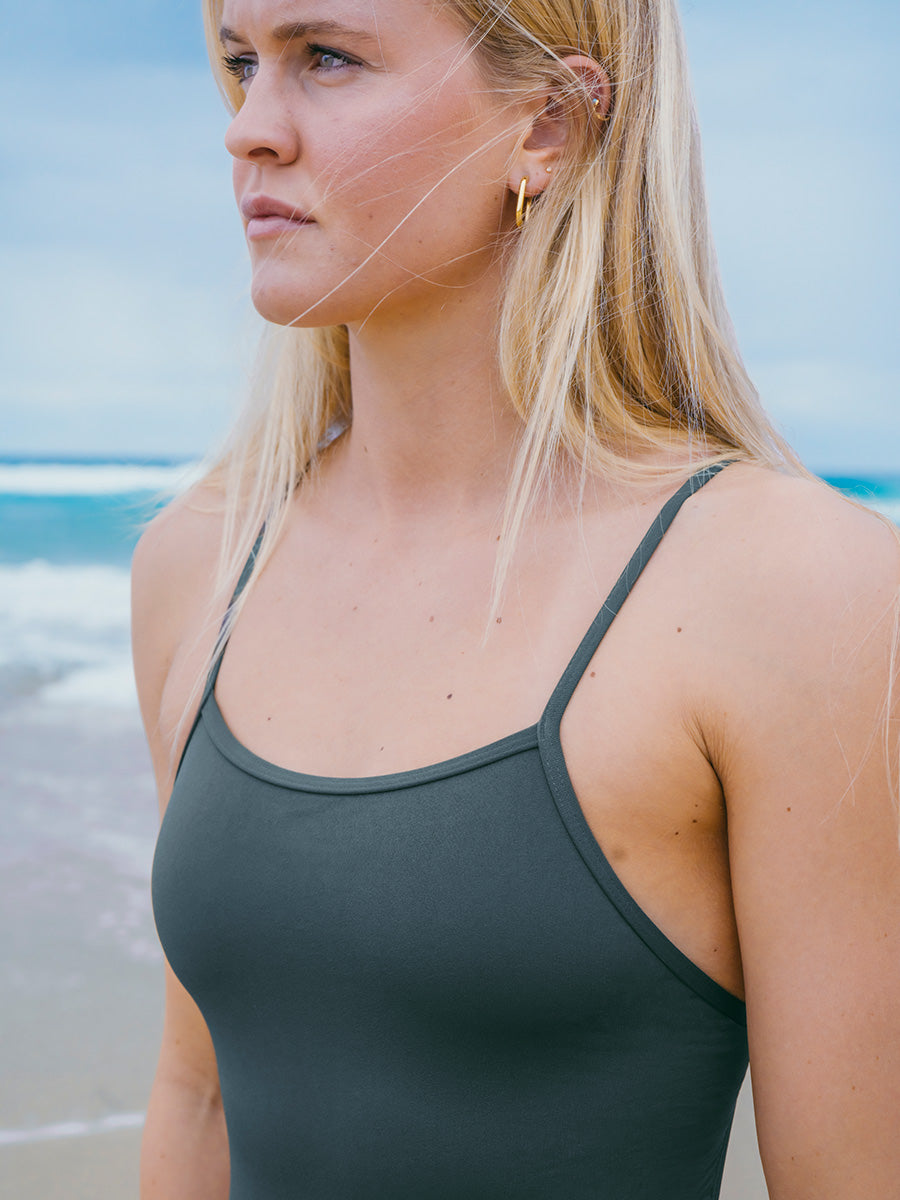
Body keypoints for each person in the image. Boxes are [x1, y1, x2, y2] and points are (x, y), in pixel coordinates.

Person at [133, 1, 900, 1196]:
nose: (250, 129)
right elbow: (201, 1097)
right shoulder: (199, 564)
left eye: (325, 58)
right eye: (241, 63)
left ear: (545, 124)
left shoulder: (799, 591)